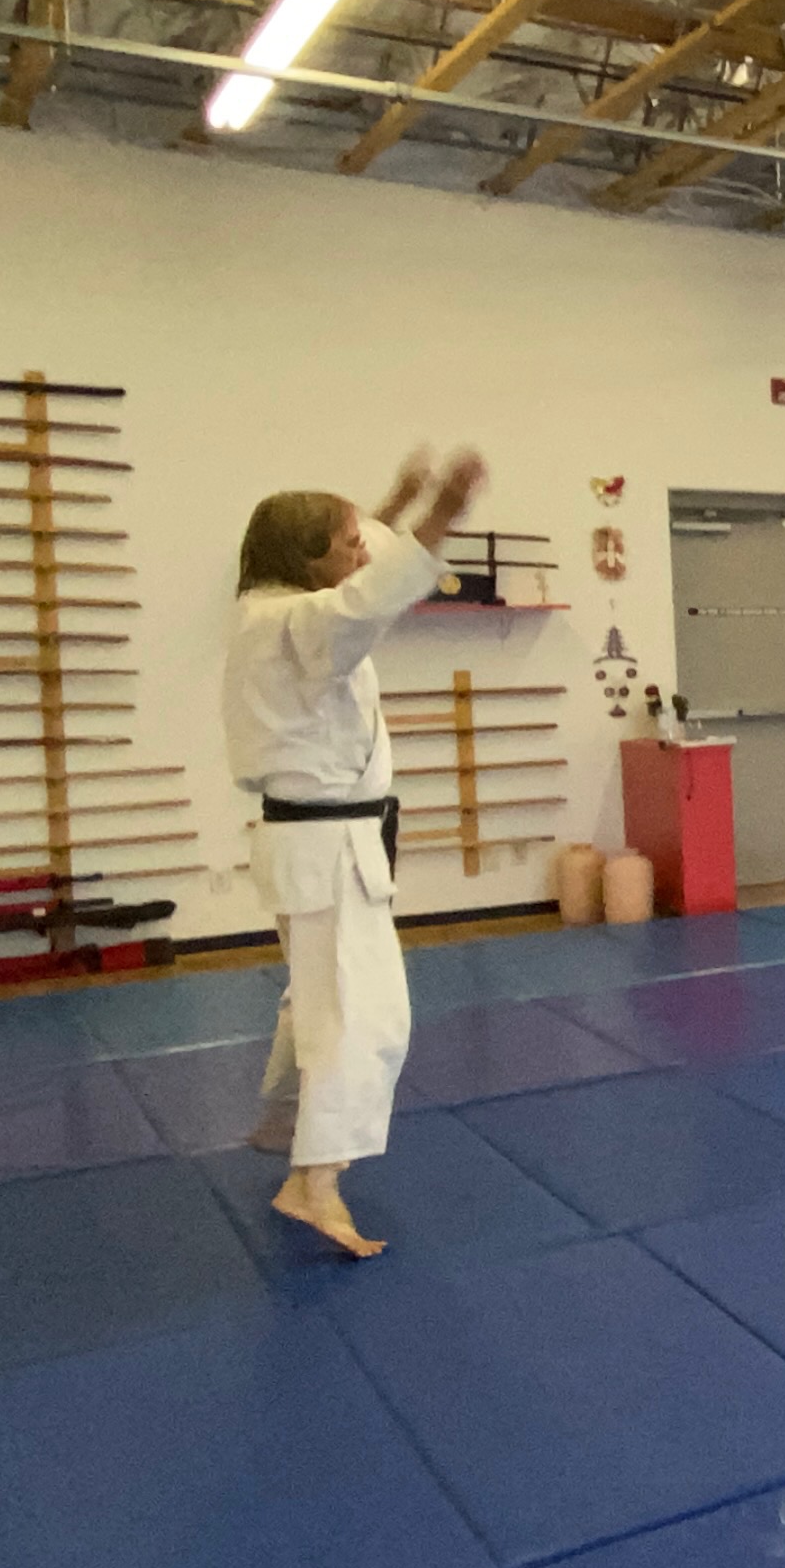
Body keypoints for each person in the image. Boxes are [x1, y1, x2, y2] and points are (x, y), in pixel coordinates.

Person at [225, 446, 488, 1260]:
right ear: (308, 559)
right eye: (347, 539)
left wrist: (395, 504)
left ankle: (284, 1127)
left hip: (320, 838)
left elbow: (356, 572)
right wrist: (439, 517)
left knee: (319, 999)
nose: (362, 546)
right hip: (326, 842)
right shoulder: (300, 623)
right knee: (364, 1018)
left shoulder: (275, 605)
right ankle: (317, 1182)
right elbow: (363, 600)